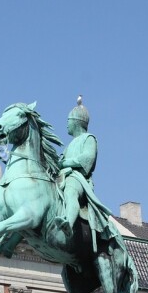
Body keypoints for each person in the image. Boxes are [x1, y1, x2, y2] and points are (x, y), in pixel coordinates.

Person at [54, 96, 99, 239]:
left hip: (79, 178)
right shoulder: (69, 145)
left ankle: (68, 222)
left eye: (68, 121)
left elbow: (87, 159)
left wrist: (66, 163)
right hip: (64, 175)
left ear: (76, 122)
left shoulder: (89, 138)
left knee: (70, 191)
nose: (66, 125)